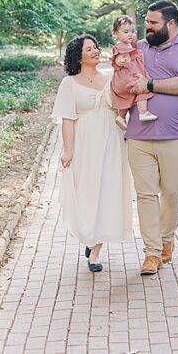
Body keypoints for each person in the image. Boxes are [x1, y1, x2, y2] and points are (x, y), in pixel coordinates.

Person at [124, 0, 178, 276]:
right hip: (138, 135)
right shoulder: (137, 47)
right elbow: (121, 73)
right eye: (147, 22)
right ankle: (152, 253)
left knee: (171, 192)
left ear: (170, 24)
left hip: (176, 135)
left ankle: (166, 239)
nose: (147, 27)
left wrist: (149, 84)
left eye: (153, 23)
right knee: (145, 195)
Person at [52, 34, 132, 273]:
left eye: (96, 47)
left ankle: (96, 250)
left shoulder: (110, 78)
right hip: (85, 143)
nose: (96, 51)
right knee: (87, 192)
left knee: (107, 191)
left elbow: (124, 107)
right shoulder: (70, 83)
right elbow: (67, 118)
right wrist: (68, 151)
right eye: (89, 49)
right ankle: (89, 235)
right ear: (79, 56)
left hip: (111, 141)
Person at [110, 14, 156, 129]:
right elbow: (118, 58)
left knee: (129, 97)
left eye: (133, 31)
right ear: (116, 34)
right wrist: (122, 61)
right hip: (127, 77)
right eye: (126, 32)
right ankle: (143, 112)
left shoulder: (129, 45)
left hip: (124, 79)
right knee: (142, 89)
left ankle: (121, 116)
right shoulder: (121, 46)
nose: (130, 34)